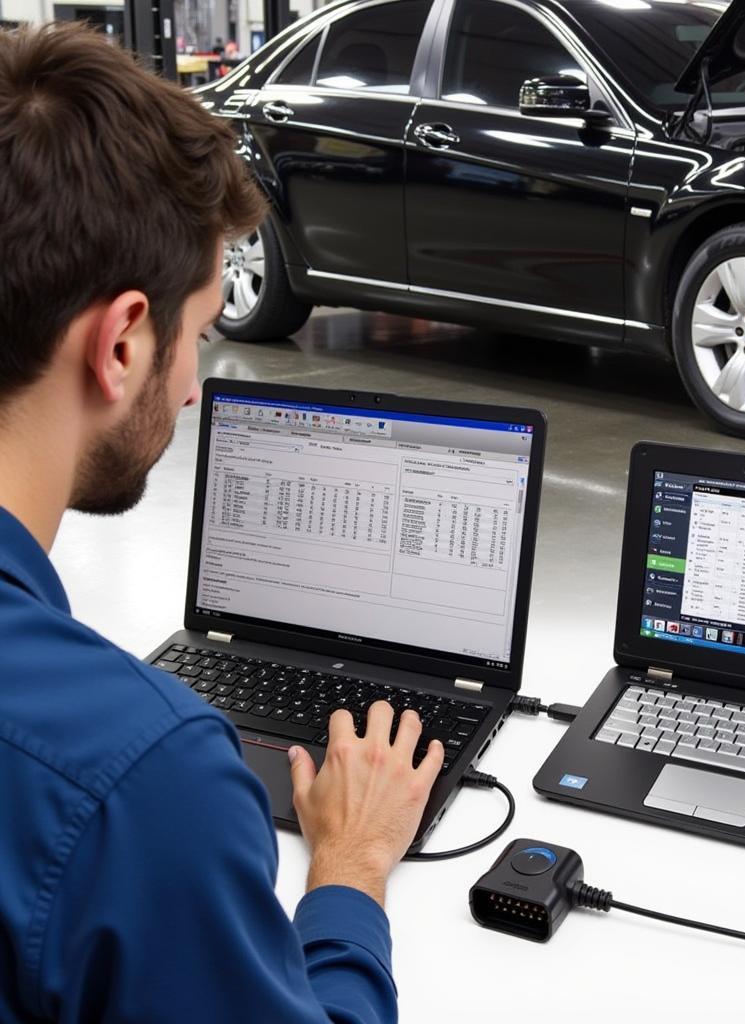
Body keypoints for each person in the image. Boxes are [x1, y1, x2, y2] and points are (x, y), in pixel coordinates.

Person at [0, 22, 443, 1023]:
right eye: (196, 334)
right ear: (120, 343)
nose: (194, 388)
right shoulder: (139, 777)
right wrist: (350, 871)